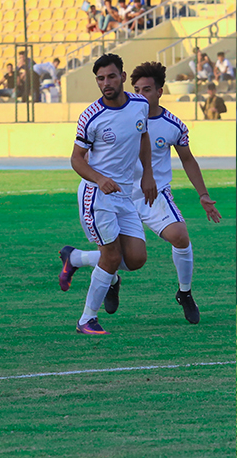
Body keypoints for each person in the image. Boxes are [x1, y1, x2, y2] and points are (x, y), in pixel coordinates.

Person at [60, 62, 221, 325]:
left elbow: (187, 158)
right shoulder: (113, 112)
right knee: (115, 255)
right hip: (116, 192)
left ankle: (184, 293)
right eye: (137, 89)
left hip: (152, 193)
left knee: (176, 238)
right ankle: (98, 298)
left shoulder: (169, 124)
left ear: (159, 91)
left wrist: (202, 194)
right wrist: (97, 174)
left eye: (147, 89)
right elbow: (85, 154)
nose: (141, 94)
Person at [56, 53, 156, 335]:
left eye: (111, 76)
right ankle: (86, 320)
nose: (106, 83)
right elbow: (76, 159)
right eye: (100, 79)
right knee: (111, 257)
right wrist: (100, 179)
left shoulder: (140, 105)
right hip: (96, 195)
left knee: (136, 259)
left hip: (124, 193)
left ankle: (75, 258)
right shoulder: (91, 116)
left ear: (123, 77)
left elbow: (143, 136)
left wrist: (148, 173)